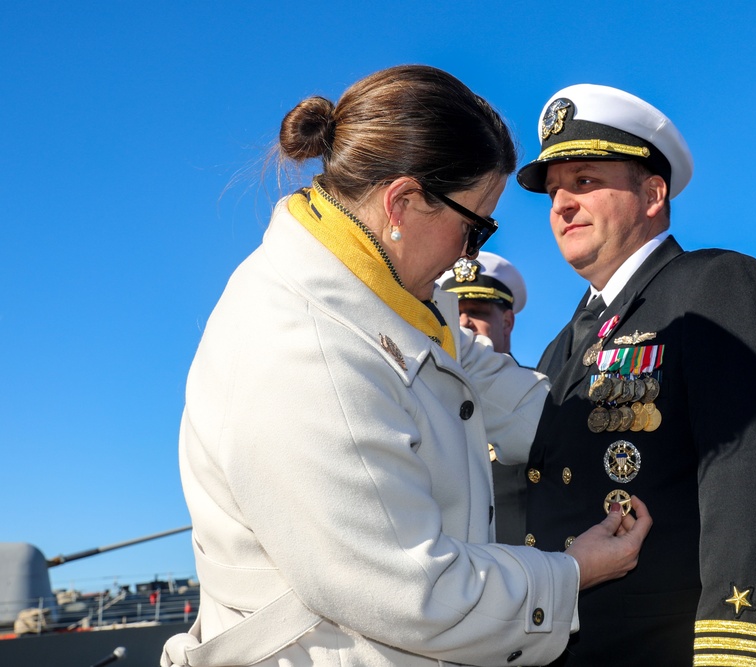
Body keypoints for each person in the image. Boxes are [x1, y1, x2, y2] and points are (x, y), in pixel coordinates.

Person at [161, 67, 652, 667]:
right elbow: (414, 589)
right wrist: (573, 573)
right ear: (402, 202)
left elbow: (491, 386)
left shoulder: (393, 292)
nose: (468, 254)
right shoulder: (300, 348)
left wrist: (628, 422)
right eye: (474, 229)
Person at [516, 84, 756, 666]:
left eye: (583, 182)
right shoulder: (560, 348)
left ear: (653, 193)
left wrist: (739, 650)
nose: (561, 205)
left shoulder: (717, 287)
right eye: (554, 191)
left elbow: (754, 482)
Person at [438, 252, 529, 545]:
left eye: (477, 311)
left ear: (506, 322)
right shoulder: (429, 399)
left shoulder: (536, 397)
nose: (464, 323)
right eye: (455, 314)